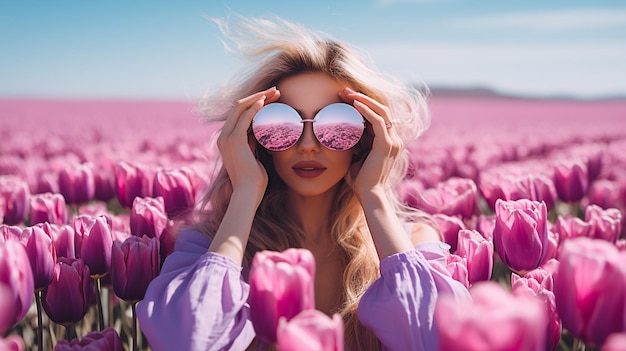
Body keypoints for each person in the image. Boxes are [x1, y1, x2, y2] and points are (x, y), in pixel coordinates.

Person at [137, 15, 470, 351]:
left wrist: (375, 193)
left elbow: (432, 340)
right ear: (252, 135)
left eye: (338, 122)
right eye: (279, 122)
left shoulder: (410, 242)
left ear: (368, 136)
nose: (308, 144)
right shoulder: (208, 244)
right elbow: (185, 342)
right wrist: (246, 191)